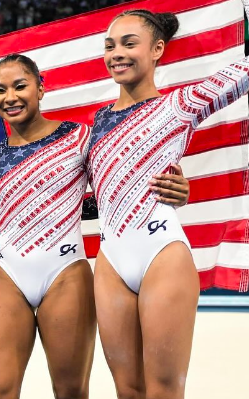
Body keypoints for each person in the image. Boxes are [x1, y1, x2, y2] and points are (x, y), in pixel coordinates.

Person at [0, 53, 192, 399]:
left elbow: (115, 192)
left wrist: (172, 192)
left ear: (40, 88)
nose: (11, 97)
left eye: (20, 86)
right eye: (0, 90)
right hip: (9, 275)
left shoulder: (79, 138)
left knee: (69, 390)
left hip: (65, 272)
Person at [90, 6, 249, 398]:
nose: (117, 54)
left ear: (158, 49)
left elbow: (241, 76)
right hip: (111, 260)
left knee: (163, 390)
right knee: (127, 390)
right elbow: (97, 195)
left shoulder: (179, 104)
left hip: (161, 252)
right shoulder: (95, 122)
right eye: (110, 46)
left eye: (130, 43)